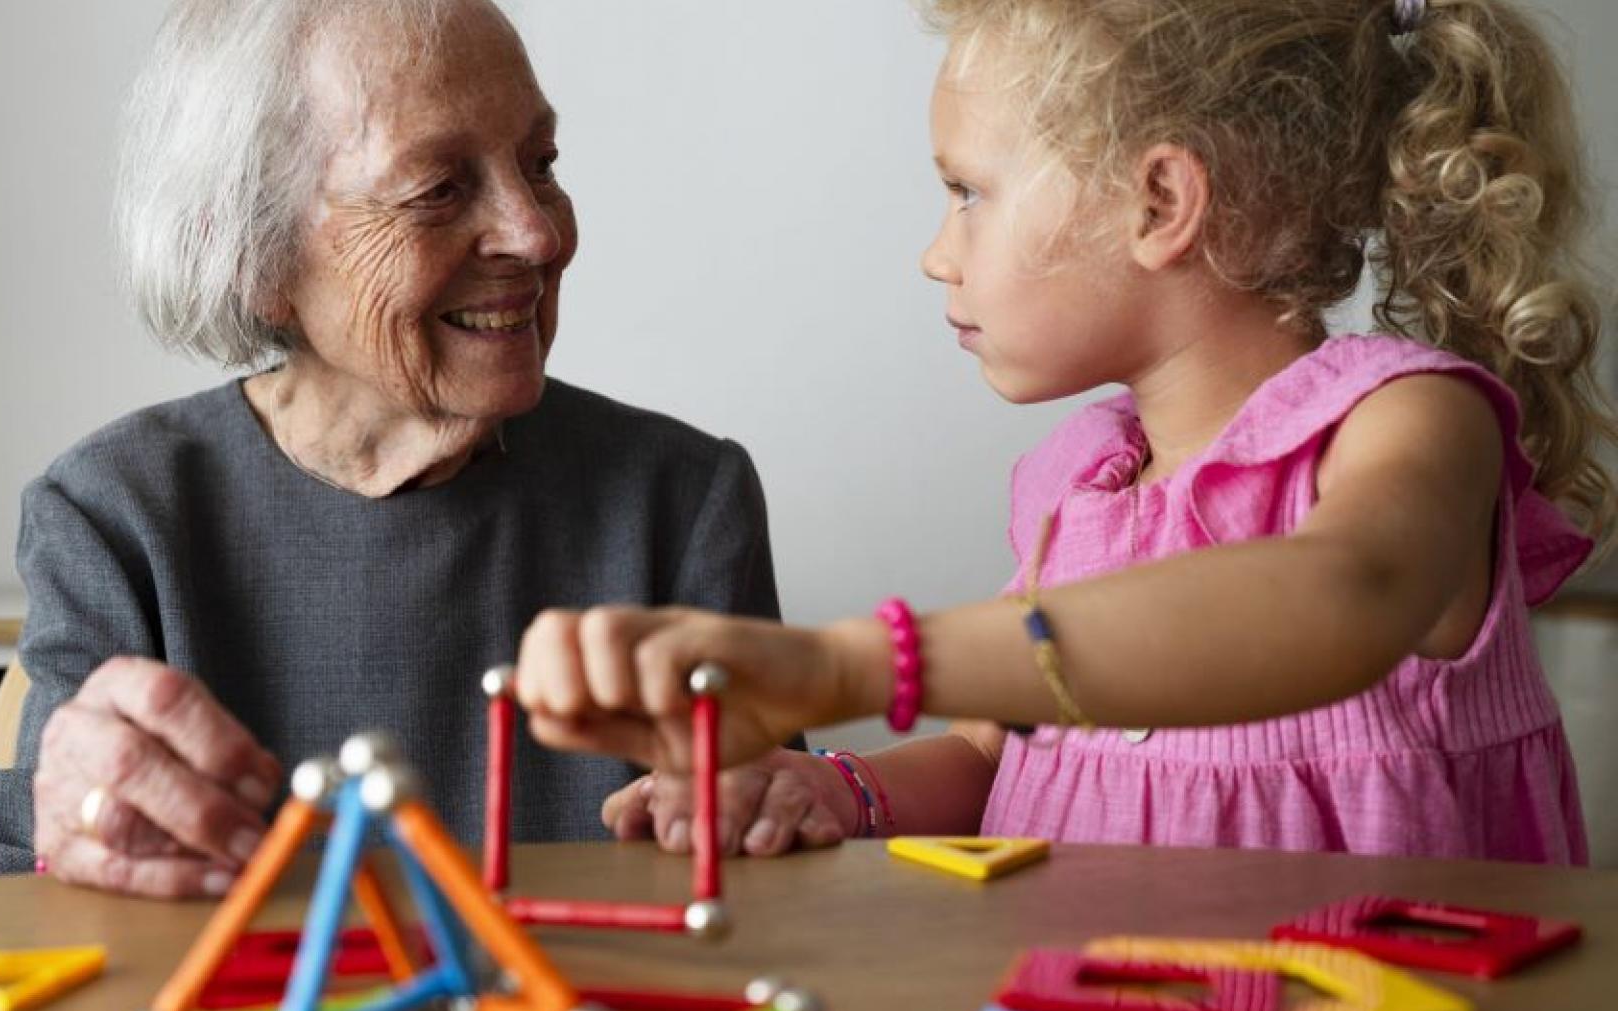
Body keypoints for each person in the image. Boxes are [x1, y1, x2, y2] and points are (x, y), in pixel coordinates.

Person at [517, 0, 1613, 865]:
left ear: (1158, 205)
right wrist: (837, 786)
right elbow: (1004, 748)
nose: (938, 254)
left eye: (967, 192)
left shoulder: (1412, 421)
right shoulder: (1080, 486)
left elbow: (1342, 598)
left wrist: (848, 665)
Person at [0, 0, 779, 897]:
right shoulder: (119, 516)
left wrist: (764, 815)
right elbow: (23, 902)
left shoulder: (681, 502)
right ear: (255, 259)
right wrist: (78, 829)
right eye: (439, 189)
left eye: (540, 165)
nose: (536, 234)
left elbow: (771, 879)